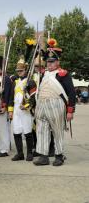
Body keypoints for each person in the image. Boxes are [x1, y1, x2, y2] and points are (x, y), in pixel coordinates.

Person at [33, 38, 76, 166]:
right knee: (41, 131)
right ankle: (43, 156)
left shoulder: (63, 74)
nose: (49, 64)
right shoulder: (43, 74)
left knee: (57, 131)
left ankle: (59, 155)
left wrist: (70, 111)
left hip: (56, 105)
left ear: (58, 62)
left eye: (52, 62)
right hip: (42, 105)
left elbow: (71, 93)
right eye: (48, 62)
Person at [8, 57, 36, 161]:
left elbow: (33, 98)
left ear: (26, 70)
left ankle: (29, 153)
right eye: (18, 71)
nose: (19, 72)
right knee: (16, 131)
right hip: (16, 109)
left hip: (26, 111)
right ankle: (20, 153)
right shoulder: (15, 82)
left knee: (28, 131)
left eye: (21, 71)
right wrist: (10, 111)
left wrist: (27, 106)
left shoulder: (31, 82)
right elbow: (11, 97)